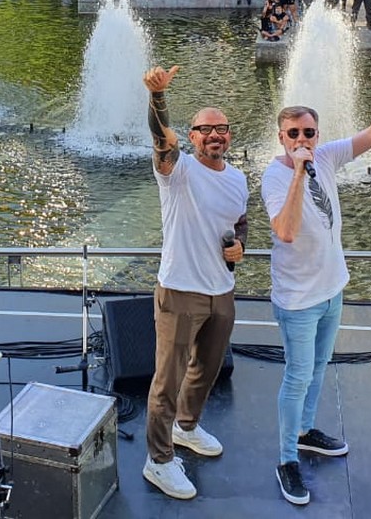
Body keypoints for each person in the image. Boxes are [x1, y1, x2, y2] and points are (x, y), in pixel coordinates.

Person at [263, 72, 371, 505]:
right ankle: (286, 460)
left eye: (309, 133)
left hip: (332, 290)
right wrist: (299, 173)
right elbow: (285, 231)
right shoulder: (276, 176)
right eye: (294, 133)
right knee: (296, 377)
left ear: (318, 134)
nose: (303, 139)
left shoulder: (328, 157)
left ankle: (304, 431)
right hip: (298, 301)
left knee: (318, 369)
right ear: (281, 137)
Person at [140, 65, 248, 501]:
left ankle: (186, 428)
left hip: (221, 290)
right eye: (206, 129)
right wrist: (159, 98)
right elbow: (160, 136)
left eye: (222, 129)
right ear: (193, 135)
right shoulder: (177, 169)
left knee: (207, 369)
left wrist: (240, 245)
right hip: (181, 290)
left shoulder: (238, 177)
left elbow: (239, 222)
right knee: (166, 380)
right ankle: (159, 461)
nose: (216, 135)